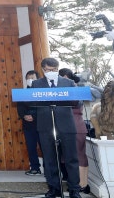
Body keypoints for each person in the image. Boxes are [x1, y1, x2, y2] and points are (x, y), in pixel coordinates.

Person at [30, 58, 81, 198]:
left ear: (58, 69)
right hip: (45, 125)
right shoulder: (36, 84)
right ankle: (54, 188)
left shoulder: (69, 83)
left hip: (66, 125)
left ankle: (74, 189)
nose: (50, 72)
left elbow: (79, 101)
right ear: (42, 70)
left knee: (71, 158)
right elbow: (30, 102)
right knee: (49, 159)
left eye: (53, 70)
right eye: (47, 70)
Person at [59, 68, 90, 194]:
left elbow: (76, 103)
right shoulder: (61, 89)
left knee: (79, 155)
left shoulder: (77, 88)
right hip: (64, 127)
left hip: (76, 126)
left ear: (65, 77)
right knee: (66, 157)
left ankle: (83, 184)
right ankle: (73, 182)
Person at [17, 70, 43, 176]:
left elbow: (42, 108)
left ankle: (49, 169)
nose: (30, 80)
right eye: (28, 78)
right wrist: (24, 115)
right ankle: (35, 168)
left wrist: (34, 116)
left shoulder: (42, 92)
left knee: (44, 147)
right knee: (31, 147)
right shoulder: (23, 92)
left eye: (32, 78)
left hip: (41, 124)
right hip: (28, 125)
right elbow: (20, 107)